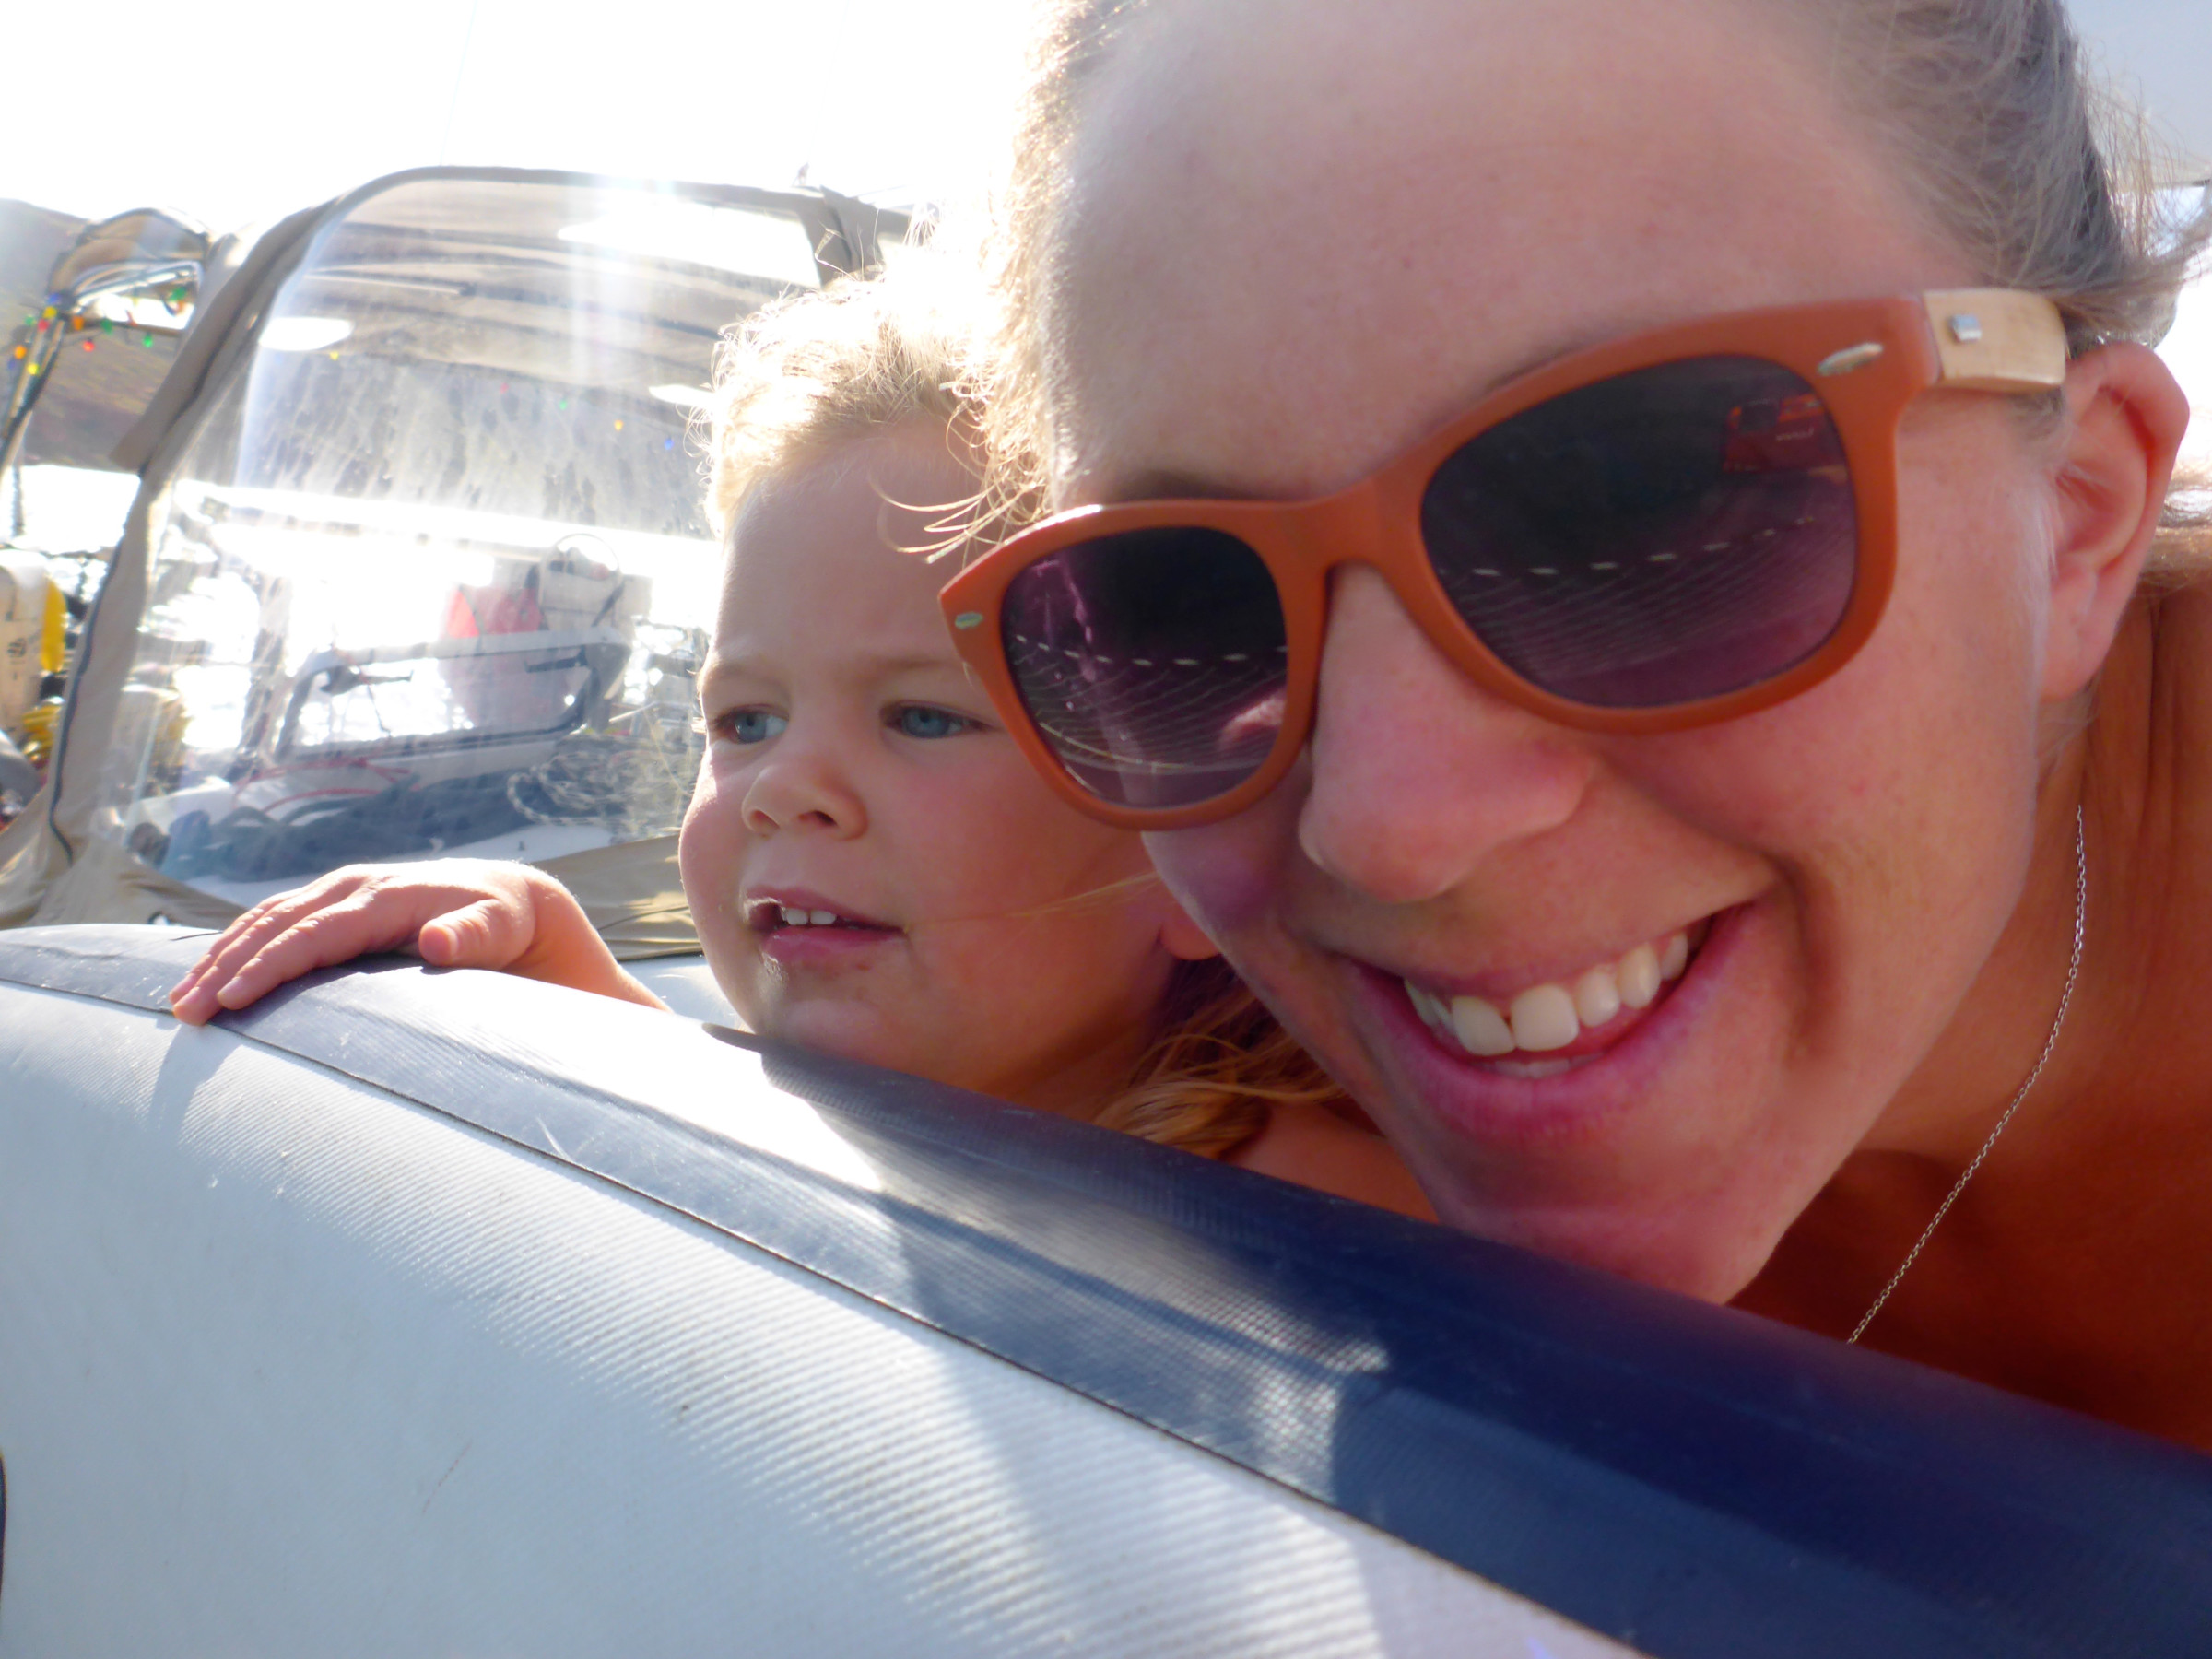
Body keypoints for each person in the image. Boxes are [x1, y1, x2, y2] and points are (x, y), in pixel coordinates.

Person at [939, 0, 2212, 1443]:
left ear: (2077, 518)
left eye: (1638, 505)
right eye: (1179, 606)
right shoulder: (1247, 1151)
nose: (1389, 831)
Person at [168, 273, 1431, 1218]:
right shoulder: (965, 1106)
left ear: (1200, 842)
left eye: (924, 716)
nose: (784, 789)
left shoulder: (1307, 1233)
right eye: (745, 721)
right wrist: (581, 995)